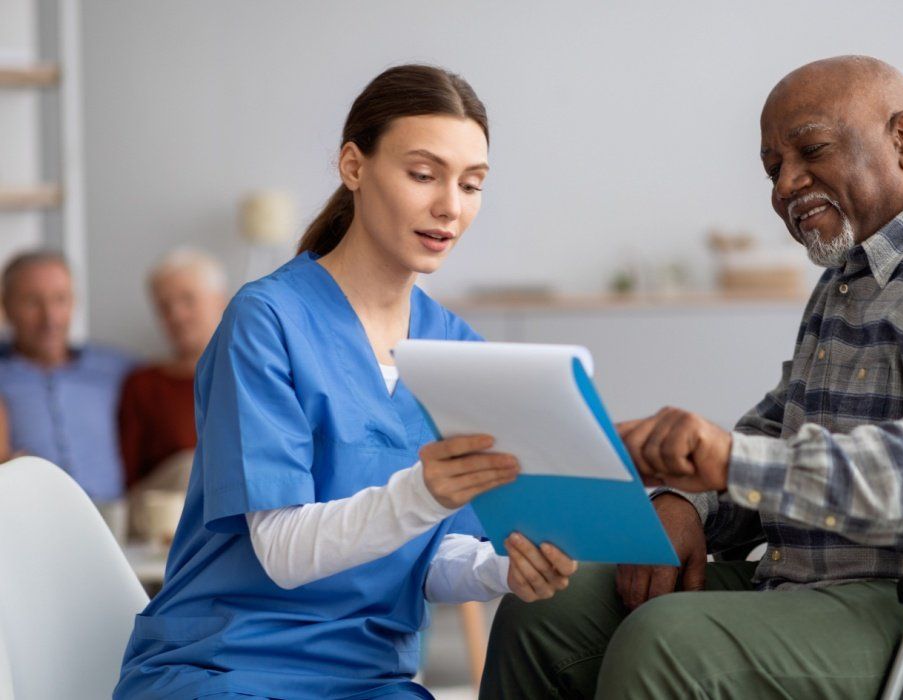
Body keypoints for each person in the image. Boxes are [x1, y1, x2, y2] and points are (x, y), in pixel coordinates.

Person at [481, 55, 903, 699]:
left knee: (672, 644)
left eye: (810, 150)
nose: (786, 184)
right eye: (772, 169)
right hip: (829, 586)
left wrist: (731, 460)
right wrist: (687, 503)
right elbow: (779, 431)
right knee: (547, 614)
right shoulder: (849, 279)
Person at [115, 65, 577, 700]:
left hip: (366, 680)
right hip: (226, 667)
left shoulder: (459, 350)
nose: (450, 206)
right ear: (354, 167)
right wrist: (425, 491)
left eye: (471, 184)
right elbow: (279, 550)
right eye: (423, 175)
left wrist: (506, 568)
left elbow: (437, 557)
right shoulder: (267, 320)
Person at [0, 250, 133, 502]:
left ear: (73, 303)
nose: (49, 317)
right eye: (32, 302)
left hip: (114, 516)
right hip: (31, 513)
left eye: (60, 299)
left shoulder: (113, 368)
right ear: (6, 306)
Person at [118, 248, 229, 540]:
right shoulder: (143, 384)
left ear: (221, 301)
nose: (176, 315)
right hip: (163, 523)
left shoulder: (255, 374)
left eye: (187, 300)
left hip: (241, 516)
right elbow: (128, 481)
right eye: (164, 307)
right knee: (190, 466)